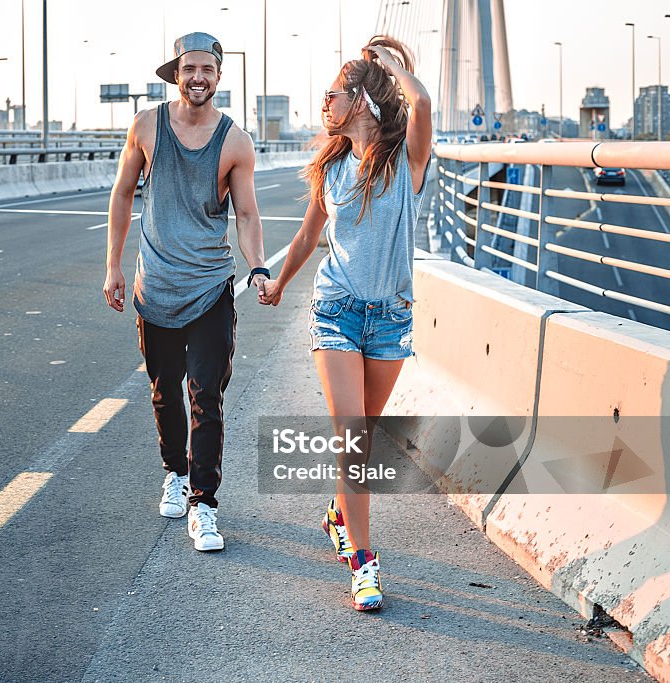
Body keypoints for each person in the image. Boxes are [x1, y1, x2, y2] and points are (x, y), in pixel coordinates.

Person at [258, 36, 431, 609]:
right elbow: (309, 235)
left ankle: (337, 512)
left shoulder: (405, 162)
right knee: (352, 440)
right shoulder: (330, 168)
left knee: (362, 442)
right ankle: (363, 560)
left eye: (333, 93)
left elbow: (422, 107)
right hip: (335, 312)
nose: (324, 103)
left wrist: (394, 69)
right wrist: (280, 283)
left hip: (389, 319)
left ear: (360, 99)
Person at [103, 32, 268, 552]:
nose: (198, 78)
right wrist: (113, 267)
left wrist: (258, 267)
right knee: (163, 393)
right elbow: (123, 194)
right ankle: (174, 472)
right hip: (156, 288)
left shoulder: (236, 142)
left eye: (208, 70)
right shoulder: (147, 126)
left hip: (211, 288)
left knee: (206, 397)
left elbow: (245, 213)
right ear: (177, 73)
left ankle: (205, 504)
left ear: (219, 77)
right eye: (189, 68)